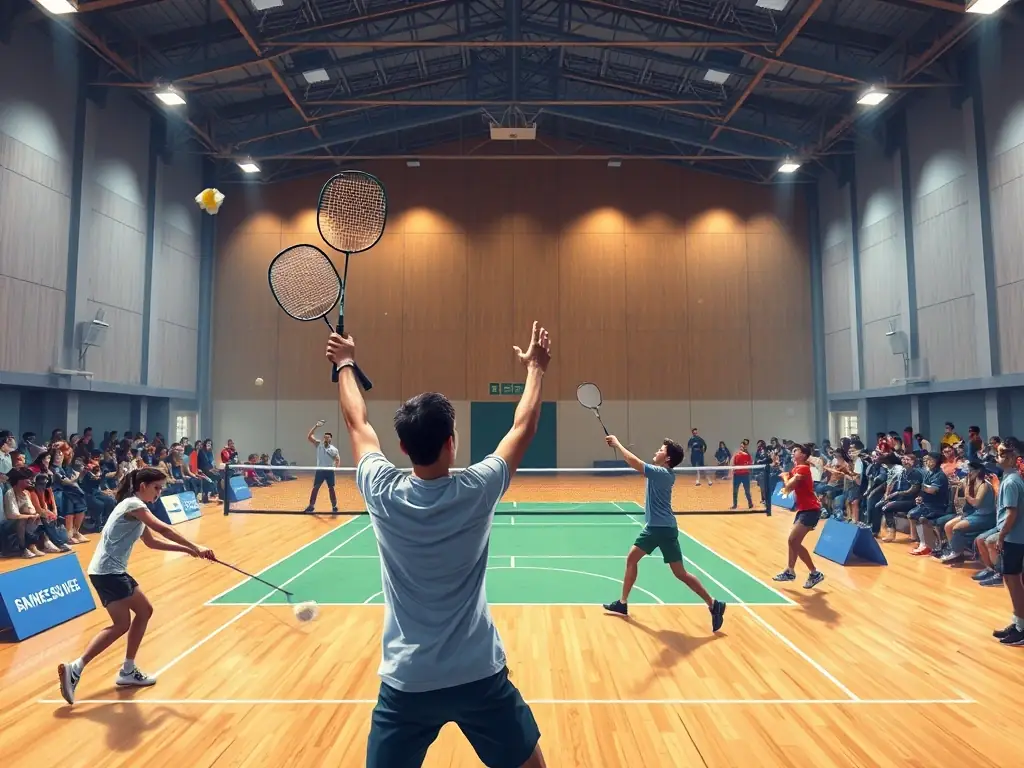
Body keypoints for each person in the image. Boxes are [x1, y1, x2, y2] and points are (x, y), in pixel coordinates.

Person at [328, 322, 550, 768]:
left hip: (407, 682)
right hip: (479, 677)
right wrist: (536, 369)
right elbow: (523, 427)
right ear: (452, 442)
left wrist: (345, 363)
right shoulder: (477, 489)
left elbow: (357, 421)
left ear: (403, 447)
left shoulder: (380, 488)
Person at [57, 467, 214, 706]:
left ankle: (121, 670)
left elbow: (152, 542)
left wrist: (189, 550)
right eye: (156, 488)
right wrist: (196, 545)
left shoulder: (136, 508)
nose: (159, 493)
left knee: (138, 614)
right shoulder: (133, 505)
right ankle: (80, 667)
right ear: (143, 486)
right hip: (108, 572)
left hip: (110, 571)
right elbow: (164, 528)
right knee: (128, 620)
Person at [601, 435, 726, 630]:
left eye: (660, 450)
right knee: (680, 573)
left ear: (667, 459)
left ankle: (623, 603)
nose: (656, 452)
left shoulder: (661, 473)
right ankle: (713, 603)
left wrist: (617, 444)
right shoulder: (664, 473)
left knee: (632, 559)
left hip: (657, 529)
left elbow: (634, 462)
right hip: (665, 528)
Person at [773, 443, 825, 589]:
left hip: (811, 510)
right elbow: (787, 489)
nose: (793, 452)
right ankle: (790, 570)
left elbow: (788, 487)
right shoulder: (796, 468)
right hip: (803, 510)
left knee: (793, 540)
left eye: (795, 451)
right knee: (792, 542)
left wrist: (784, 477)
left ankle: (814, 573)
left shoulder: (803, 468)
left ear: (803, 455)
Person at [992, 438, 1024, 646]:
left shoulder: (1012, 481)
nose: (998, 457)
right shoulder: (1010, 479)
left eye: (1003, 454)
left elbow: (1012, 513)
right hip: (1015, 537)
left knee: (1013, 583)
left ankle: (1021, 629)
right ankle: (1018, 622)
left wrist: (1001, 536)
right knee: (1012, 582)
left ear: (1013, 458)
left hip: (1013, 538)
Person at [303, 420, 341, 512]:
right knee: (315, 488)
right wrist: (316, 426)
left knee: (331, 488)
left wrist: (336, 467)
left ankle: (334, 506)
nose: (326, 438)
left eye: (328, 437)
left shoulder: (334, 449)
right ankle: (311, 506)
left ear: (331, 439)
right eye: (325, 437)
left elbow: (337, 459)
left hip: (329, 471)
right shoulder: (319, 444)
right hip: (320, 471)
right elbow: (309, 437)